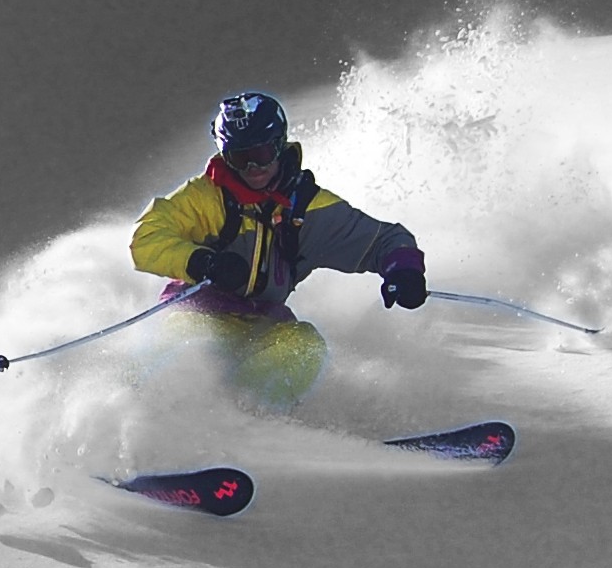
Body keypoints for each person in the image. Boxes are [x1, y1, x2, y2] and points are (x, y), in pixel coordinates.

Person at [129, 90, 427, 405]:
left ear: (280, 144)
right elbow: (146, 239)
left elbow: (383, 239)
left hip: (263, 323)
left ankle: (254, 423)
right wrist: (203, 262)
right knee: (186, 340)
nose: (254, 167)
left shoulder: (308, 209)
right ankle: (154, 410)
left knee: (305, 345)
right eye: (241, 158)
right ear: (225, 156)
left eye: (263, 153)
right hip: (198, 310)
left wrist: (404, 270)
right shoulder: (204, 199)